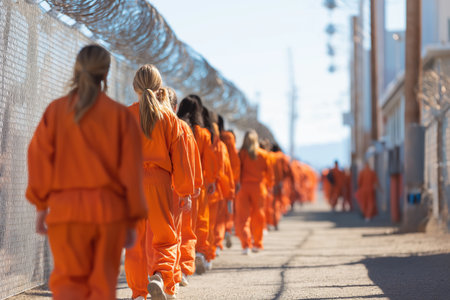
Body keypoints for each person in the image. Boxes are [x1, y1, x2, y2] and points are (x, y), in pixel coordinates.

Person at [25, 45, 147, 300]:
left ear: (77, 69)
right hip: (108, 213)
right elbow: (131, 172)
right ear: (106, 74)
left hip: (65, 211)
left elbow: (38, 158)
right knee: (102, 287)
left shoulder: (56, 111)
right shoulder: (119, 116)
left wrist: (41, 205)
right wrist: (132, 219)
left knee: (68, 286)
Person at [124, 65, 194, 300]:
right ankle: (161, 276)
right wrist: (184, 191)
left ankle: (138, 292)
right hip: (160, 184)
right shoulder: (169, 120)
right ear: (159, 85)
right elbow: (181, 160)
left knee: (135, 243)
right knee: (164, 237)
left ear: (135, 87)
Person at [167, 87, 203, 288]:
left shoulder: (162, 125)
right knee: (187, 230)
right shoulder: (193, 131)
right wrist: (196, 184)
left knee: (164, 232)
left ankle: (163, 270)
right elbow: (193, 159)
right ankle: (184, 269)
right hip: (189, 184)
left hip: (162, 182)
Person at [177, 95, 216, 275]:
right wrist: (211, 181)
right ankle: (199, 252)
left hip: (177, 182)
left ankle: (181, 263)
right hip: (197, 185)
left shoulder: (177, 127)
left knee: (180, 225)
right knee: (200, 222)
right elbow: (209, 162)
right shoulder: (204, 134)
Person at [235, 130, 273, 254]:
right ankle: (257, 243)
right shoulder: (263, 154)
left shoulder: (240, 154)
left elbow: (236, 171)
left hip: (243, 188)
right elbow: (270, 175)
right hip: (259, 188)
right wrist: (269, 185)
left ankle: (246, 245)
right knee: (258, 216)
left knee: (243, 218)